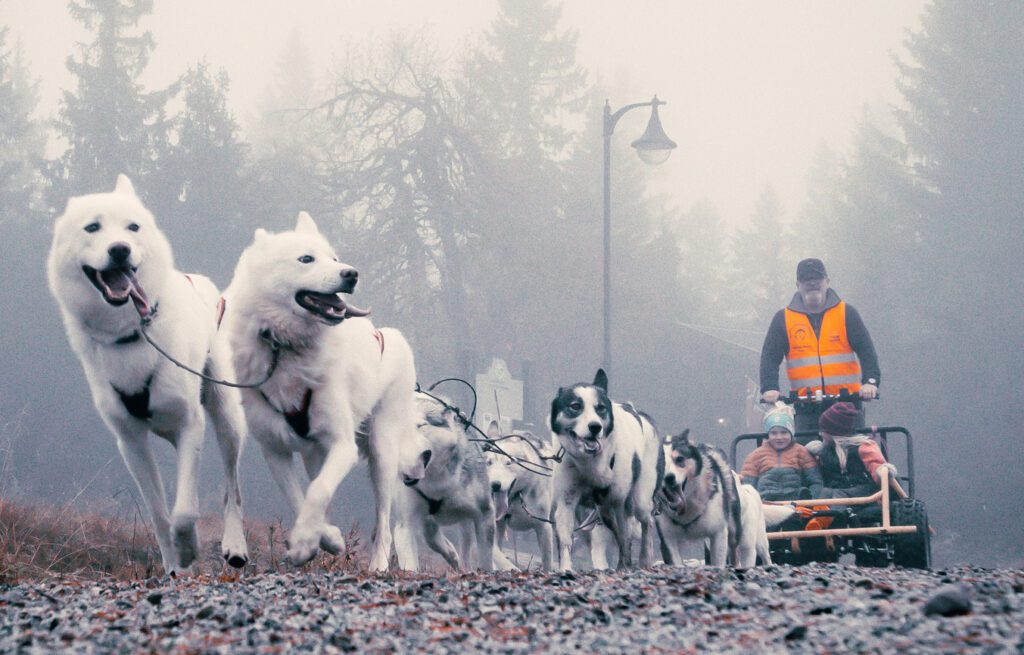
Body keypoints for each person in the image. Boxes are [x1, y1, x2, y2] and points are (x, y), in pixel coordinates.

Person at [759, 258, 881, 432]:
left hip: (847, 406)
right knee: (805, 455)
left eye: (817, 278)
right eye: (806, 279)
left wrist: (870, 382)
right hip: (805, 408)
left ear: (827, 281)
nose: (812, 283)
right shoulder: (783, 319)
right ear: (797, 284)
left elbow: (867, 351)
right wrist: (769, 387)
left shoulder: (846, 313)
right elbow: (770, 357)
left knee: (854, 453)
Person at [809, 402, 894, 499]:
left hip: (865, 491)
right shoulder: (824, 450)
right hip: (839, 489)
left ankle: (836, 514)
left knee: (838, 495)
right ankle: (820, 513)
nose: (820, 433)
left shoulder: (863, 447)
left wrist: (880, 471)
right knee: (825, 493)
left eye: (823, 430)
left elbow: (875, 463)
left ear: (833, 433)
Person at [740, 404, 823, 501]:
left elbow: (815, 481)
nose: (779, 437)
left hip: (796, 504)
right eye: (774, 433)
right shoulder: (756, 455)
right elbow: (747, 486)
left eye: (784, 432)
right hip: (766, 504)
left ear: (791, 433)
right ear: (768, 435)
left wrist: (811, 501)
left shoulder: (801, 451)